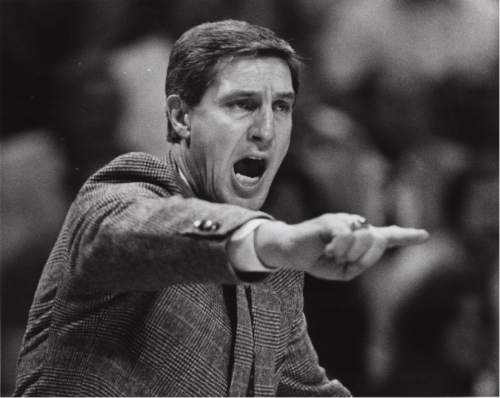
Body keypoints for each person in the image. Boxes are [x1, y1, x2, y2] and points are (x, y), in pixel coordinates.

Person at [14, 20, 428, 396]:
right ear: (180, 117)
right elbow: (147, 230)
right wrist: (275, 242)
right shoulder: (123, 192)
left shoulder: (277, 276)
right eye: (242, 104)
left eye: (281, 107)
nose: (266, 130)